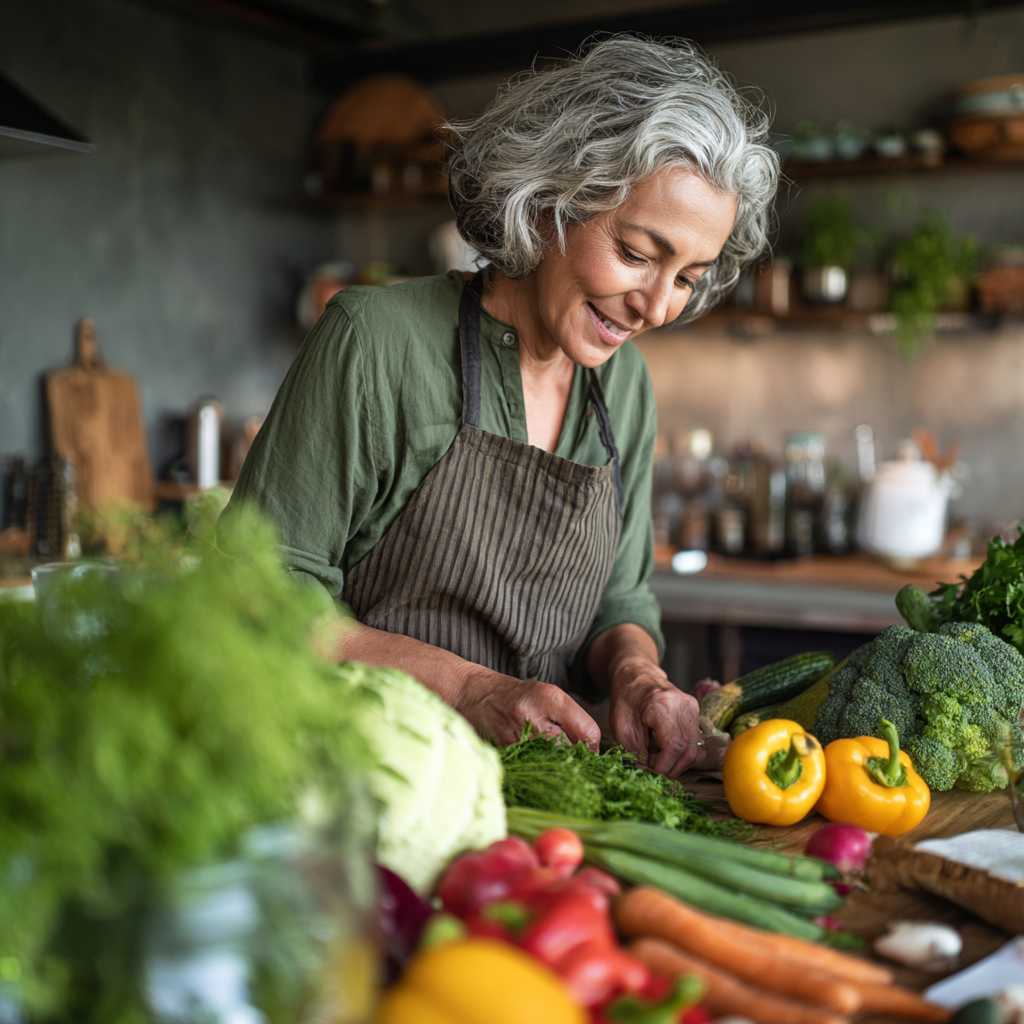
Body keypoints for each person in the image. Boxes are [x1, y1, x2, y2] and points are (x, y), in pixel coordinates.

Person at [226, 35, 778, 777]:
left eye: (689, 276)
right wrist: (468, 688)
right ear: (551, 199)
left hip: (553, 806)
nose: (655, 304)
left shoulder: (624, 387)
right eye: (638, 253)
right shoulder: (378, 343)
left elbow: (621, 600)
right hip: (363, 783)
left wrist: (636, 675)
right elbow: (257, 593)